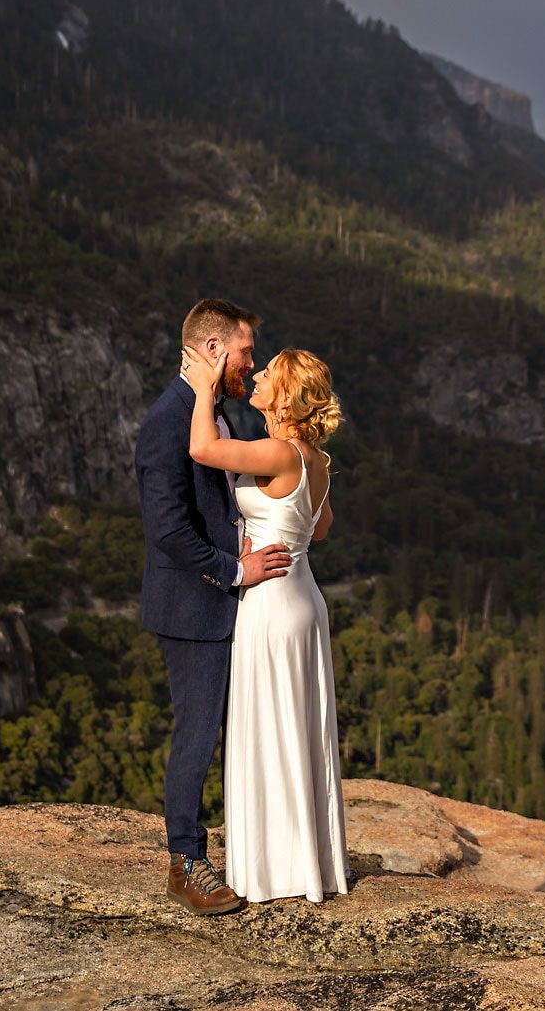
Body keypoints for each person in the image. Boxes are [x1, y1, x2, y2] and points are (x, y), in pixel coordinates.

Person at [134, 299, 290, 916]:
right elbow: (168, 530)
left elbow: (217, 505)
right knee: (197, 736)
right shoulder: (166, 421)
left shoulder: (211, 412)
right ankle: (185, 862)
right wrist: (234, 569)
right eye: (246, 352)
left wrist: (242, 543)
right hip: (192, 606)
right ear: (214, 349)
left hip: (225, 602)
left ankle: (253, 853)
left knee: (237, 734)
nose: (252, 363)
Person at [178, 342, 347, 904]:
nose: (257, 377)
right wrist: (276, 532)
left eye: (268, 373)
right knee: (298, 727)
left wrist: (203, 388)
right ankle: (308, 863)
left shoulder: (278, 452)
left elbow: (202, 448)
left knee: (268, 729)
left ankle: (272, 870)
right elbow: (319, 528)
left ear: (287, 395)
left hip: (271, 603)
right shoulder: (316, 460)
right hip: (304, 597)